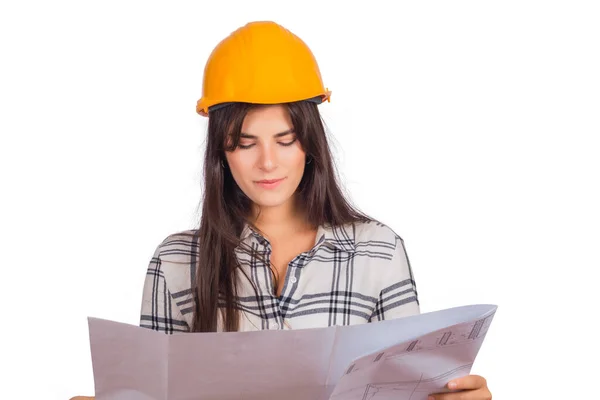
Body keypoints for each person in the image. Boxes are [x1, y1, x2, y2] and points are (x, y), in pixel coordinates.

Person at [71, 21, 492, 400]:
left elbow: (406, 393)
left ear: (309, 144)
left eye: (285, 139)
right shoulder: (177, 261)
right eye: (246, 143)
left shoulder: (378, 253)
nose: (267, 163)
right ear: (221, 151)